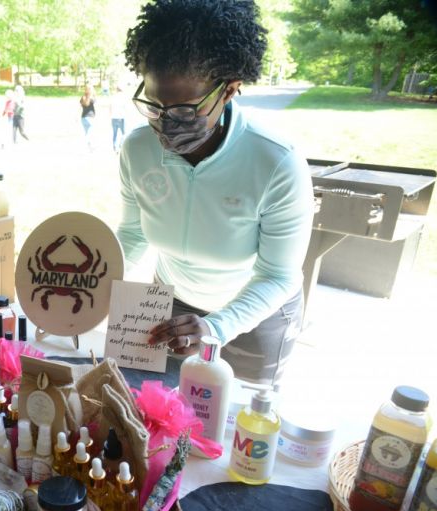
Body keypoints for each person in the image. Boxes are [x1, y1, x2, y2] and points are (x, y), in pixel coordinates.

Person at [119, 0, 314, 386]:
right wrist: (93, 277)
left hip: (255, 314)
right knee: (153, 411)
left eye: (185, 111)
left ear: (229, 90)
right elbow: (133, 233)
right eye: (154, 106)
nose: (166, 125)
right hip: (172, 307)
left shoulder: (276, 162)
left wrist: (216, 328)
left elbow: (278, 275)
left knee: (236, 419)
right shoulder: (138, 149)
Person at [107, 84, 127, 152]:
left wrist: (111, 115)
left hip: (114, 117)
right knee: (124, 133)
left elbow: (110, 107)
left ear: (116, 89)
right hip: (121, 117)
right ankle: (120, 145)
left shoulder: (113, 97)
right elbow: (125, 107)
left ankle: (115, 146)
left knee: (115, 133)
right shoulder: (123, 97)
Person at [79, 84, 96, 151]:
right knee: (90, 133)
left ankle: (89, 146)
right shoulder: (89, 98)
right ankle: (88, 145)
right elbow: (88, 103)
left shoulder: (83, 97)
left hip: (84, 118)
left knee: (87, 133)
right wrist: (91, 94)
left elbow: (80, 106)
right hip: (89, 117)